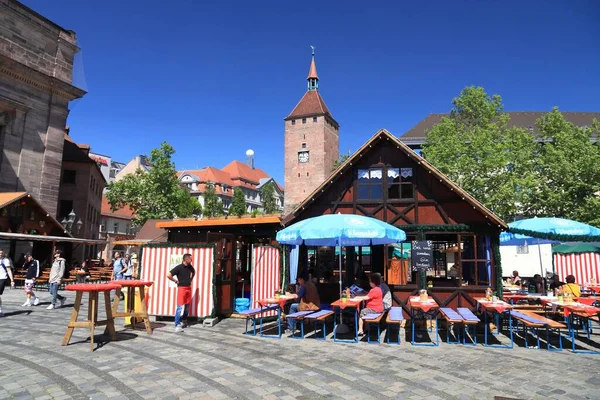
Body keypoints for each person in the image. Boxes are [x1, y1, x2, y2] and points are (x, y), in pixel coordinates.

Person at [167, 253, 195, 332]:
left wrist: (190, 280)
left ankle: (184, 320)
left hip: (188, 288)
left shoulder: (190, 267)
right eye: (190, 258)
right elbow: (168, 275)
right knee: (179, 307)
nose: (191, 260)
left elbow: (194, 272)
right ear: (186, 259)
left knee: (187, 306)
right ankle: (177, 324)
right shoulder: (179, 267)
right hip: (181, 288)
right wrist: (176, 281)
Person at [0, 249, 15, 317]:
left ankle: (0, 310)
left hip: (2, 278)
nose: (0, 254)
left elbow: (9, 270)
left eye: (1, 253)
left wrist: (12, 280)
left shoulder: (5, 260)